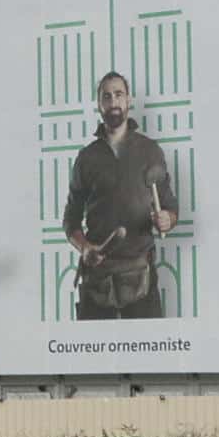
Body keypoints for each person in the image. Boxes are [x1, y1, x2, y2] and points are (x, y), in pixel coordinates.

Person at [61, 72, 178, 320]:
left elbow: (170, 207)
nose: (113, 101)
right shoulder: (86, 158)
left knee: (148, 354)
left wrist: (168, 218)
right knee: (91, 355)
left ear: (128, 100)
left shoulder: (150, 151)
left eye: (118, 94)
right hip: (97, 278)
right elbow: (70, 221)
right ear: (99, 104)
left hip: (141, 276)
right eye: (106, 96)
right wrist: (84, 248)